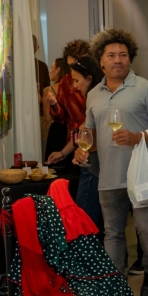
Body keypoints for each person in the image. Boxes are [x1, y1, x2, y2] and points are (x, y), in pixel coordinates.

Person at [73, 28, 148, 296]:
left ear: (130, 59)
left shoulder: (146, 88)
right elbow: (90, 133)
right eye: (111, 55)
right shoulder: (94, 94)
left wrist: (138, 136)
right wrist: (82, 152)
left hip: (141, 175)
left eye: (123, 55)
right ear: (101, 61)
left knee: (147, 231)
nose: (118, 60)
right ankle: (117, 285)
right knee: (112, 233)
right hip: (108, 175)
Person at [52, 56, 104, 231]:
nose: (74, 86)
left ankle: (86, 256)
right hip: (92, 163)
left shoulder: (96, 98)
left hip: (93, 165)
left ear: (89, 78)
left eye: (76, 80)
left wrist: (79, 149)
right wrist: (64, 153)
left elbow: (87, 133)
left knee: (84, 221)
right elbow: (81, 130)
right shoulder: (96, 96)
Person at [46, 40, 91, 166]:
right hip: (74, 145)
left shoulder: (97, 82)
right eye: (69, 65)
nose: (72, 70)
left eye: (75, 65)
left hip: (95, 146)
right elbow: (61, 118)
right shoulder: (66, 81)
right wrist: (54, 106)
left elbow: (91, 121)